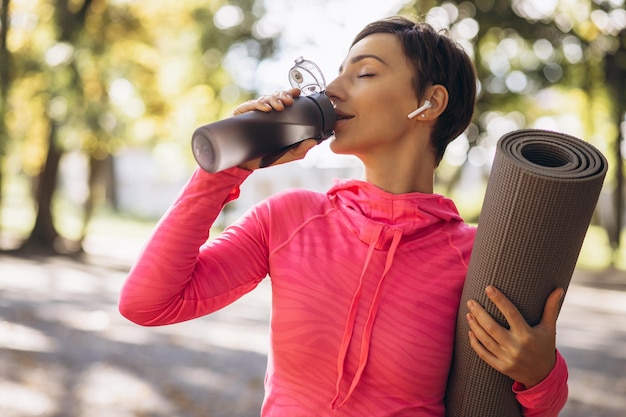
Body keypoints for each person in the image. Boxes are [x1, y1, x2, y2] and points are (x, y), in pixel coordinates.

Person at [119, 16, 568, 416]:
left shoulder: (479, 258)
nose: (331, 90)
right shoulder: (290, 218)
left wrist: (544, 375)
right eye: (337, 73)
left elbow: (510, 403)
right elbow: (147, 304)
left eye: (365, 73)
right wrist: (223, 170)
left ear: (429, 104)